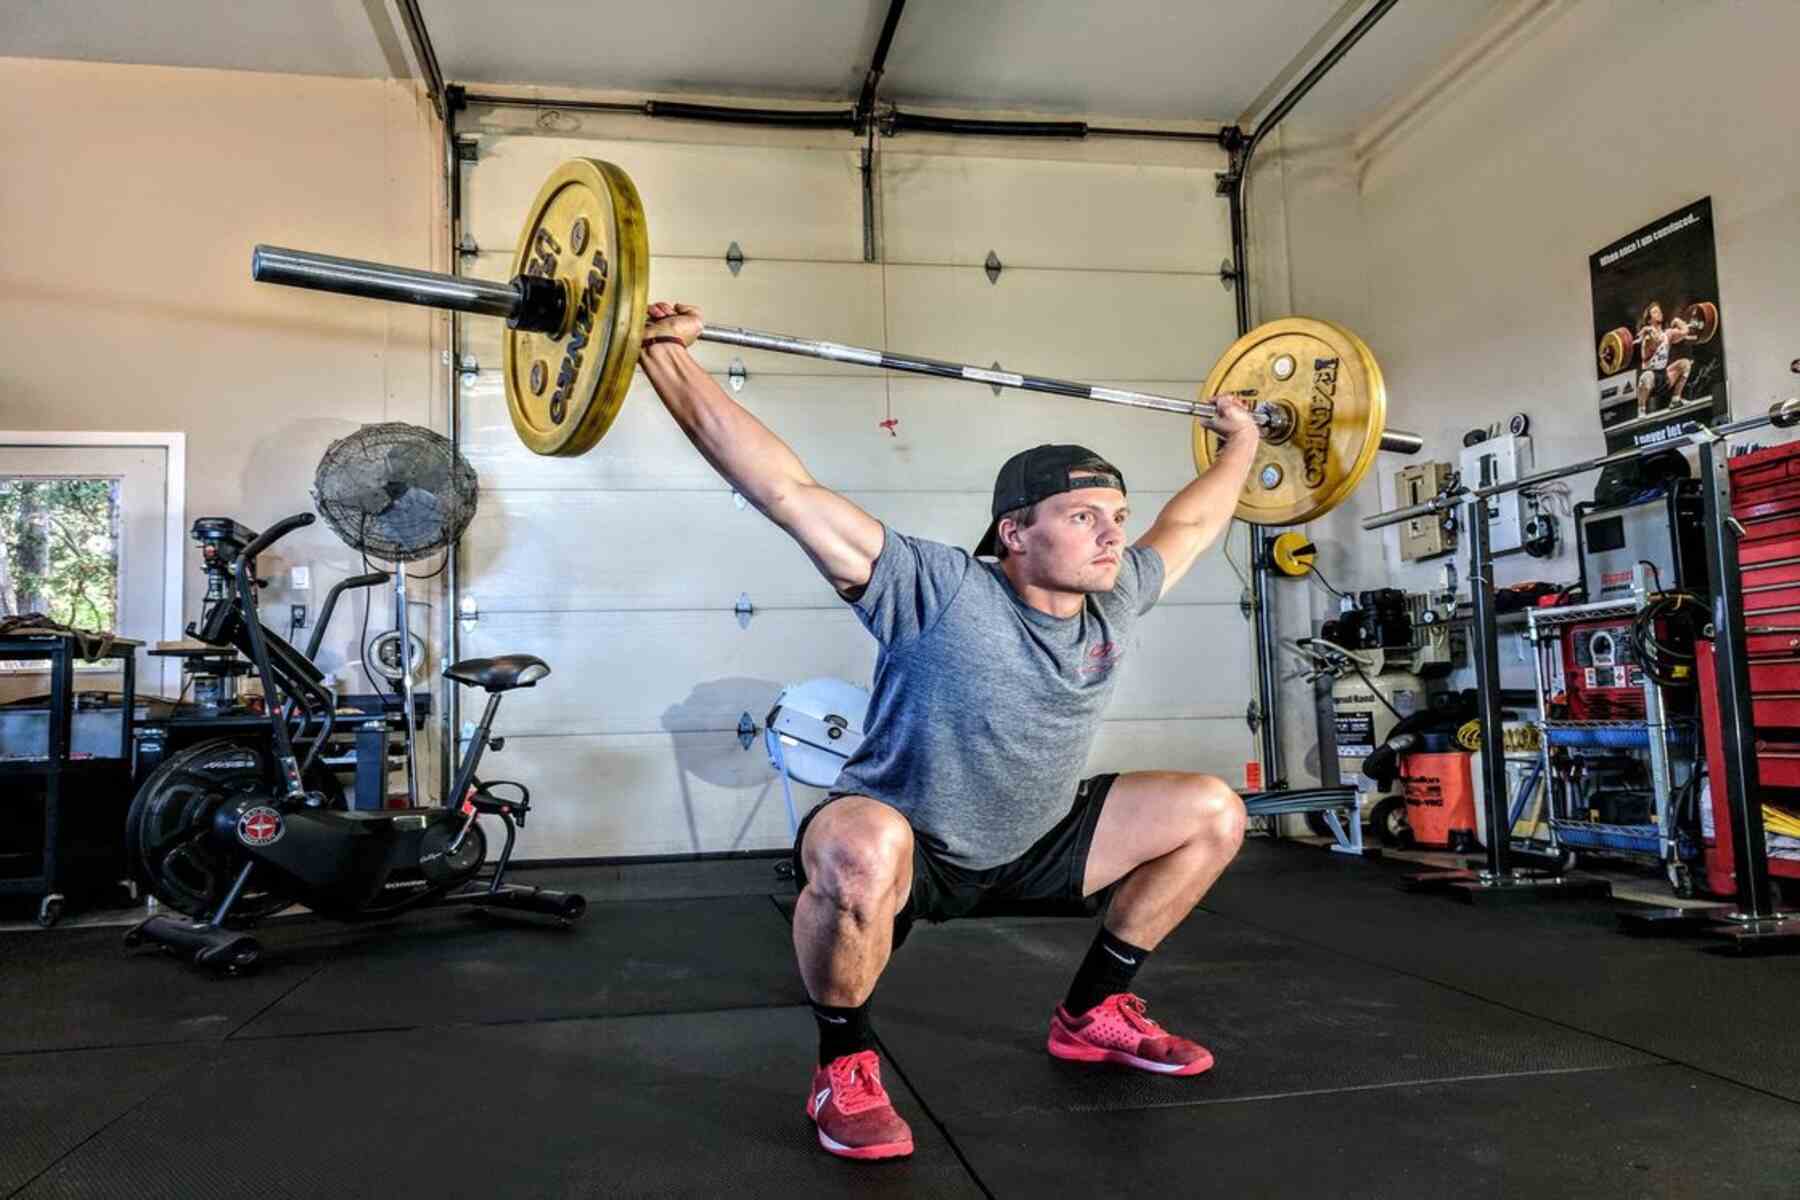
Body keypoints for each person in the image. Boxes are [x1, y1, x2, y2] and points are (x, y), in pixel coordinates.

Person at [639, 301, 1258, 1161]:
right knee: (859, 848)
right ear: (1016, 532)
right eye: (1085, 515)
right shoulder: (938, 587)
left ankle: (1092, 1012)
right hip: (910, 842)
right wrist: (664, 355)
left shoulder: (1115, 597)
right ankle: (843, 1064)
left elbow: (1191, 522)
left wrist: (1244, 445)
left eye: (1117, 513)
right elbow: (784, 489)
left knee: (1214, 811)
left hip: (1039, 839)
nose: (1113, 531)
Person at [1635, 302, 1694, 419]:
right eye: (1655, 312)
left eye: (1659, 311)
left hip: (1665, 377)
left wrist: (1678, 321)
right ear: (1649, 319)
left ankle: (1675, 400)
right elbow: (1656, 341)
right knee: (1645, 377)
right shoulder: (1647, 337)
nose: (1659, 313)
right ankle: (1641, 409)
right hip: (1651, 380)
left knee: (1685, 364)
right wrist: (1648, 330)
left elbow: (1685, 332)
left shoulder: (1667, 334)